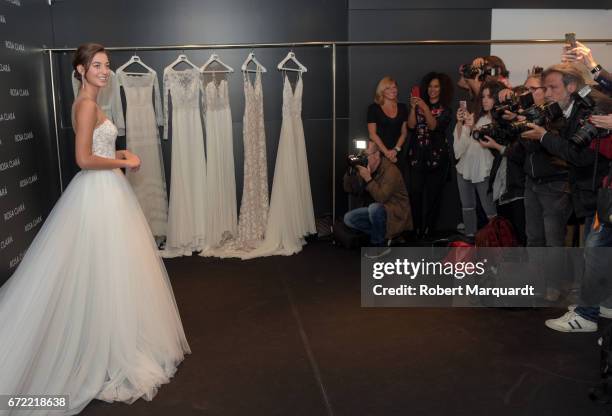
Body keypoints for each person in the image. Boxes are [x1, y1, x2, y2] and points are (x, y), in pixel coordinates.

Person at [0, 43, 190, 413]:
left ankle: (108, 336)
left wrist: (118, 155)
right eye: (97, 65)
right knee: (106, 267)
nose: (104, 71)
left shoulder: (93, 104)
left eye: (107, 65)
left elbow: (96, 151)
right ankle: (105, 346)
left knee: (110, 270)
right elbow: (83, 159)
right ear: (81, 70)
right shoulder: (86, 106)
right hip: (99, 194)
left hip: (107, 192)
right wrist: (128, 160)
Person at [521, 63, 612, 332]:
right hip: (591, 193)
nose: (547, 93)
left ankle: (587, 315)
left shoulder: (592, 110)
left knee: (594, 253)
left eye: (552, 87)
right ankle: (601, 304)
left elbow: (578, 155)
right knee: (598, 253)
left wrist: (544, 136)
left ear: (571, 87)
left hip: (599, 193)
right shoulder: (570, 112)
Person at [343, 140, 412, 257]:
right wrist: (350, 173)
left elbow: (381, 198)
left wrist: (368, 179)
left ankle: (379, 246)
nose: (364, 158)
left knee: (374, 208)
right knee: (349, 218)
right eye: (363, 155)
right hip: (378, 211)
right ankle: (387, 236)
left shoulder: (391, 171)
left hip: (396, 212)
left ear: (376, 154)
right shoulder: (366, 167)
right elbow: (349, 189)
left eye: (367, 155)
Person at [406, 72, 454, 238]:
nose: (432, 90)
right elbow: (411, 126)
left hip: (436, 158)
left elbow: (434, 126)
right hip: (417, 155)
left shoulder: (446, 110)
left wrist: (425, 109)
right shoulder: (419, 104)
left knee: (434, 196)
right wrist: (413, 108)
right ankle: (417, 228)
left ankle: (429, 230)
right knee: (415, 193)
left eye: (436, 86)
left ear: (442, 89)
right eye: (430, 86)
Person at [453, 80, 503, 237]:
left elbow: (487, 143)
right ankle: (470, 241)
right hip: (464, 168)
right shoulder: (476, 116)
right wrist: (461, 124)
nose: (485, 100)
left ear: (498, 98)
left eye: (489, 96)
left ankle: (496, 245)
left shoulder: (500, 121)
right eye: (483, 96)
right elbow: (459, 148)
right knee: (467, 208)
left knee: (490, 212)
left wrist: (472, 127)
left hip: (484, 170)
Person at [367, 76, 409, 174]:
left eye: (394, 87)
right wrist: (386, 153)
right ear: (381, 91)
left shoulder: (403, 107)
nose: (392, 90)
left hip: (397, 154)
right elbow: (372, 134)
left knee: (397, 185)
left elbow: (404, 133)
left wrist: (395, 150)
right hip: (378, 154)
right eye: (388, 88)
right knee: (379, 186)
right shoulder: (373, 108)